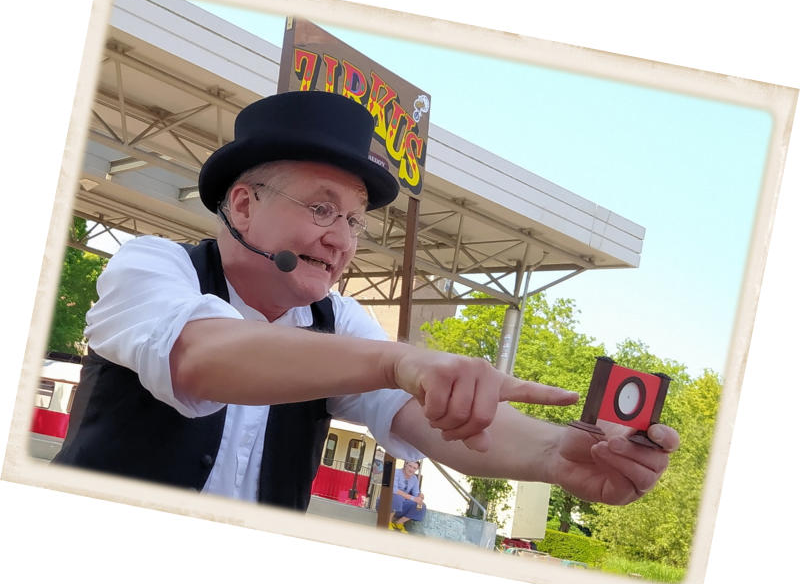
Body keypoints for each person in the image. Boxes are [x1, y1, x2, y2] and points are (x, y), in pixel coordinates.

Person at [54, 91, 679, 513]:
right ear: (243, 205)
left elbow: (424, 410)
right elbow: (197, 355)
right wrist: (395, 361)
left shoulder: (340, 321)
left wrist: (556, 454)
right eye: (321, 209)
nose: (342, 241)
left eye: (354, 221)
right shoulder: (154, 265)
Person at [390, 459, 426, 532]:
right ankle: (388, 521)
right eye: (410, 466)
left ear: (416, 469)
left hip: (402, 504)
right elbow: (394, 490)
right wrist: (413, 498)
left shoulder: (414, 479)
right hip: (388, 501)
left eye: (414, 468)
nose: (411, 469)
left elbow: (416, 494)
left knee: (421, 505)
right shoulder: (396, 472)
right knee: (398, 497)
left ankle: (399, 523)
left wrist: (420, 496)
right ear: (405, 464)